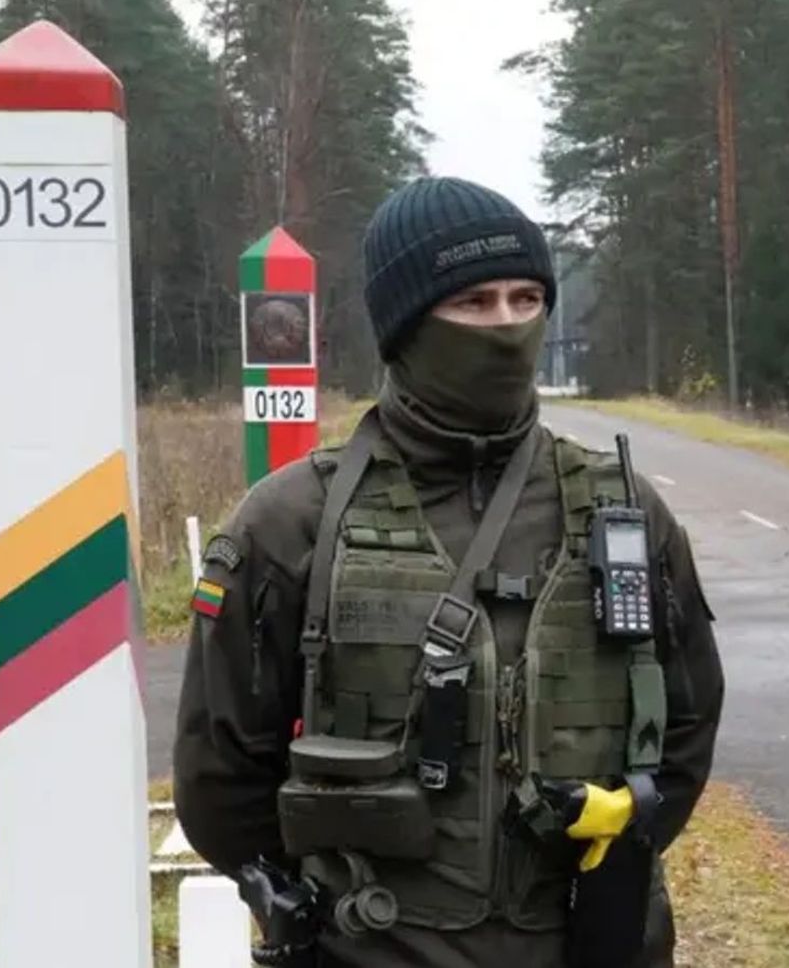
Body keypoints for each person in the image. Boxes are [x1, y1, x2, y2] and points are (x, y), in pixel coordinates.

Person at [175, 176, 726, 968]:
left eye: (525, 297)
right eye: (472, 303)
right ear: (404, 325)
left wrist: (611, 857)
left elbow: (686, 725)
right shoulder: (292, 521)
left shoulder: (623, 509)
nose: (505, 325)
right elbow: (220, 778)